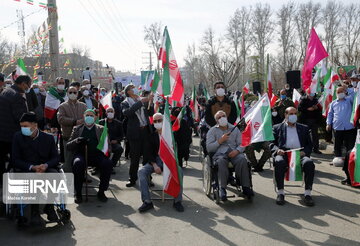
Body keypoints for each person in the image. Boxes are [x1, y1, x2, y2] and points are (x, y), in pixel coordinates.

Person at [12, 112, 60, 225]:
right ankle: (34, 211)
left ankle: (49, 207)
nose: (23, 128)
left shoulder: (48, 138)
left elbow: (56, 158)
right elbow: (15, 159)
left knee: (55, 176)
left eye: (26, 126)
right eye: (21, 126)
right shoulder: (18, 137)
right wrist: (32, 167)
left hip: (44, 167)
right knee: (33, 179)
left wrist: (46, 165)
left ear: (35, 125)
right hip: (27, 168)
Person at [137, 113, 184, 213]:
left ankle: (177, 201)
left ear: (164, 121)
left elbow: (178, 149)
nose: (157, 123)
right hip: (156, 161)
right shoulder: (151, 136)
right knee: (141, 171)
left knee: (179, 171)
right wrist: (154, 165)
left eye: (160, 120)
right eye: (155, 121)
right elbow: (148, 153)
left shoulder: (172, 135)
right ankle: (147, 201)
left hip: (170, 160)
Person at [270, 107, 315, 206]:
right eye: (291, 114)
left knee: (309, 163)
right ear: (285, 115)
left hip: (300, 154)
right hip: (284, 153)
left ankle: (307, 194)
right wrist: (277, 150)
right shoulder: (277, 128)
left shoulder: (304, 128)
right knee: (279, 162)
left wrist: (305, 152)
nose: (293, 116)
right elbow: (271, 143)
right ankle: (280, 193)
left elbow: (310, 145)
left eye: (295, 113)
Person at [67, 109, 113, 203]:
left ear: (95, 117)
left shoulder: (101, 129)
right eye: (87, 115)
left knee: (107, 164)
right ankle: (78, 193)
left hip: (97, 155)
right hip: (81, 155)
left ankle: (101, 191)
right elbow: (68, 146)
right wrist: (77, 141)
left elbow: (108, 146)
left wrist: (106, 151)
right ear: (83, 117)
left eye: (91, 116)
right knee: (78, 164)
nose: (89, 117)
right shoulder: (77, 129)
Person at [206, 110, 253, 201]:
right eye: (219, 117)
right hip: (220, 154)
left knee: (242, 160)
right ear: (216, 120)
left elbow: (242, 144)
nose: (222, 118)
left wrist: (237, 151)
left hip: (234, 153)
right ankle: (222, 188)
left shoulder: (234, 129)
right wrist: (220, 140)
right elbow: (209, 148)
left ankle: (245, 186)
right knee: (221, 162)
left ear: (226, 117)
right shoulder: (212, 131)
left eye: (223, 116)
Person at [0, 75, 31, 182]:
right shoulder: (17, 96)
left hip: (2, 134)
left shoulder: (6, 91)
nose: (28, 88)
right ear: (23, 84)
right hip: (12, 135)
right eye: (28, 85)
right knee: (16, 161)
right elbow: (20, 117)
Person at [121, 84, 153, 187]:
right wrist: (140, 103)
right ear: (128, 91)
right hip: (134, 133)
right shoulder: (125, 102)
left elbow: (150, 113)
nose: (134, 89)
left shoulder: (141, 100)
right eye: (131, 88)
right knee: (134, 157)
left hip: (145, 131)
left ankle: (148, 178)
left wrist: (150, 102)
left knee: (147, 157)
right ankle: (132, 178)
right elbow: (127, 113)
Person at [57, 86, 87, 172]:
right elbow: (60, 119)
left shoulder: (83, 106)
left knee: (81, 159)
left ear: (78, 94)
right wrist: (75, 122)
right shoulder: (62, 106)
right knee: (69, 159)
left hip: (81, 137)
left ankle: (82, 177)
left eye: (74, 92)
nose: (72, 94)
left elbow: (87, 118)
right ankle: (68, 178)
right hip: (68, 137)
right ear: (67, 94)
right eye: (70, 92)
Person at [326, 86, 356, 158]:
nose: (340, 93)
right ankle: (337, 158)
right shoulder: (333, 103)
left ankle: (349, 160)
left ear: (345, 92)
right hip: (337, 127)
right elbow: (330, 114)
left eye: (341, 91)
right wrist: (328, 123)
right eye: (338, 92)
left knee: (349, 145)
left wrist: (347, 88)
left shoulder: (350, 100)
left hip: (349, 127)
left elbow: (354, 94)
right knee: (337, 145)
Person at [99, 107, 124, 174]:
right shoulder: (101, 122)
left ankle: (111, 166)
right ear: (106, 113)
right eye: (108, 111)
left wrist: (116, 140)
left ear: (114, 113)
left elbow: (122, 136)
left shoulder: (119, 123)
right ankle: (97, 167)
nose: (110, 113)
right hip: (103, 143)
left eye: (111, 111)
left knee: (119, 149)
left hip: (113, 143)